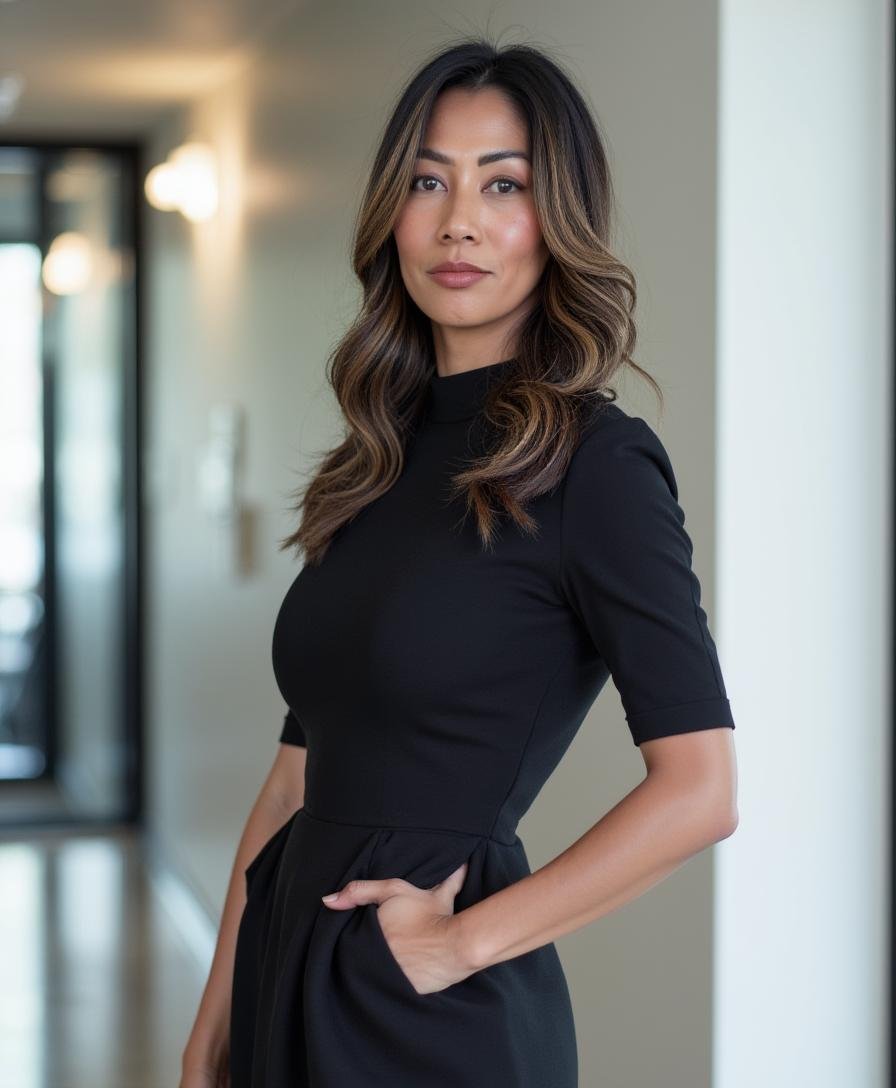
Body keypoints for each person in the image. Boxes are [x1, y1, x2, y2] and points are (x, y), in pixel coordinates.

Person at [181, 36, 738, 1088]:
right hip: (287, 975)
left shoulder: (596, 465)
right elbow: (293, 779)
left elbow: (699, 788)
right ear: (392, 211)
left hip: (425, 1019)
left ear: (556, 219)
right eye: (428, 180)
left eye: (504, 184)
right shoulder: (374, 460)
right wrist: (211, 1031)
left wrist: (458, 943)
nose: (459, 221)